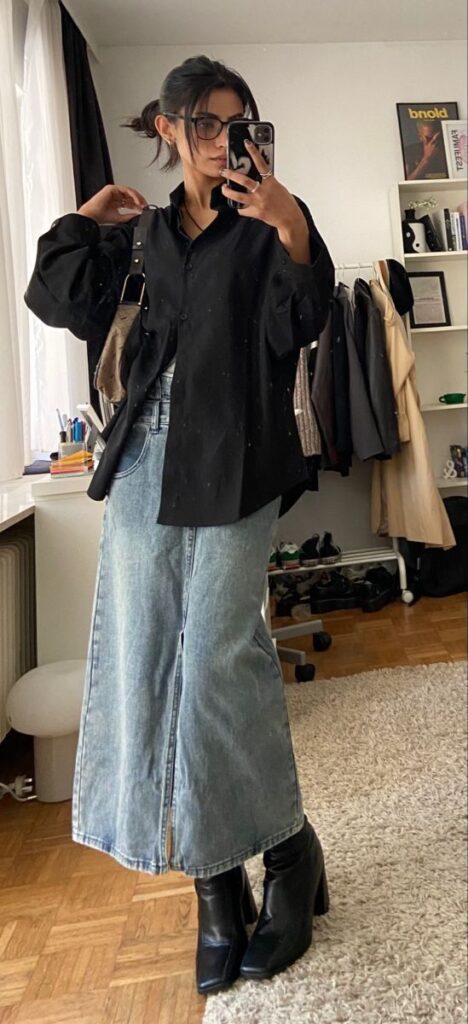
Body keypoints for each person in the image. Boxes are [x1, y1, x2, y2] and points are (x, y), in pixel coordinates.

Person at [24, 54, 334, 996]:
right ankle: (217, 886)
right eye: (202, 123)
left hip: (238, 459)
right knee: (146, 664)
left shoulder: (269, 225)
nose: (220, 141)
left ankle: (287, 855)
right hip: (146, 461)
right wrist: (86, 219)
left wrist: (288, 224)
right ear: (167, 128)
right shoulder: (141, 238)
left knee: (218, 665)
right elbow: (53, 296)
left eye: (236, 125)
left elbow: (302, 322)